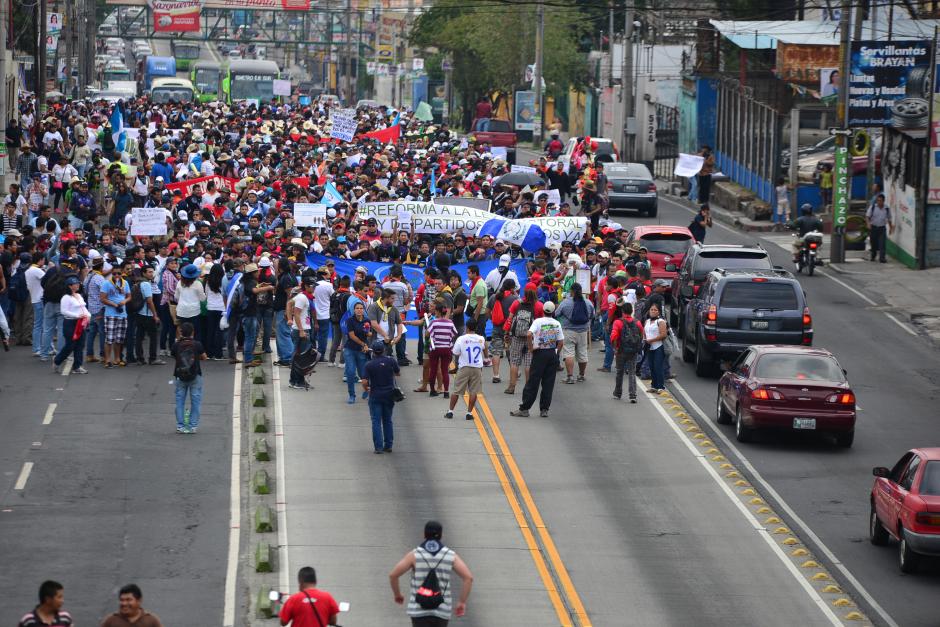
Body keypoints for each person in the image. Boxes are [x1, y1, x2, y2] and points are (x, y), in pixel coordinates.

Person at [389, 520, 474, 627]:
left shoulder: (415, 554)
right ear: (441, 535)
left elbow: (393, 575)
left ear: (424, 534)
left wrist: (397, 594)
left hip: (419, 611)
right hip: (442, 611)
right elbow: (468, 578)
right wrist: (462, 602)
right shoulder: (450, 555)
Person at [511, 300, 564, 418]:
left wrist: (531, 348)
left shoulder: (538, 321)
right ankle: (544, 409)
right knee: (548, 383)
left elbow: (529, 334)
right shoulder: (557, 323)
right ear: (553, 311)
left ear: (543, 310)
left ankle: (525, 408)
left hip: (540, 353)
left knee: (533, 382)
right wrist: (556, 352)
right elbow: (560, 342)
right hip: (551, 353)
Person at [361, 339, 400, 453]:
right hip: (389, 394)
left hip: (375, 395)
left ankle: (378, 447)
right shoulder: (391, 361)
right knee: (388, 420)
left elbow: (364, 381)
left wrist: (366, 389)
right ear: (383, 350)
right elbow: (398, 372)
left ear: (373, 351)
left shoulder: (369, 365)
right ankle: (388, 445)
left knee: (376, 421)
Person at [446, 323, 486, 421]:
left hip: (464, 367)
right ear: (475, 328)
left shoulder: (461, 339)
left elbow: (455, 352)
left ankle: (450, 411)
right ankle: (469, 413)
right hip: (477, 368)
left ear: (467, 327)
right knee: (473, 391)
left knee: (456, 390)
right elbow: (484, 348)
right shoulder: (481, 338)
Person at [171, 321, 206, 434]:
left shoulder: (176, 345)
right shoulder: (197, 344)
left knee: (180, 401)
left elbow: (174, 357)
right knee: (195, 401)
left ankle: (180, 426)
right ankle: (193, 426)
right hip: (195, 375)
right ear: (193, 332)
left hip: (179, 375)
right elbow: (204, 357)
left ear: (181, 332)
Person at [556, 282, 594, 384]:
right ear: (581, 291)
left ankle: (570, 377)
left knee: (568, 353)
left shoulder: (566, 302)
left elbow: (556, 313)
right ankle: (581, 375)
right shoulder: (588, 302)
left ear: (571, 291)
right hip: (583, 331)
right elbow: (592, 315)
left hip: (569, 330)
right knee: (582, 353)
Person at [611, 301, 643, 402]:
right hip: (633, 352)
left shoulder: (618, 322)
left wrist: (615, 348)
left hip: (621, 351)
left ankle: (617, 393)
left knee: (619, 372)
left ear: (622, 311)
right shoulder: (637, 322)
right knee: (632, 373)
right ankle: (633, 395)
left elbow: (614, 336)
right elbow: (641, 335)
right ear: (632, 311)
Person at [100, 263, 131, 368]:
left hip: (122, 313)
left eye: (119, 273)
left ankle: (117, 359)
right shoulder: (107, 283)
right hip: (110, 314)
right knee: (109, 338)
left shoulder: (125, 283)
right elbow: (103, 298)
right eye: (114, 273)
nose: (117, 275)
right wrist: (114, 304)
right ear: (112, 273)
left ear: (122, 273)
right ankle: (108, 360)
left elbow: (129, 296)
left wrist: (124, 301)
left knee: (119, 338)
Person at [343, 300, 373, 404]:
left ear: (364, 310)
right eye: (357, 308)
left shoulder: (367, 320)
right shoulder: (350, 320)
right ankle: (352, 395)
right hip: (350, 349)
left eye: (361, 308)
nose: (359, 310)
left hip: (361, 351)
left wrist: (368, 332)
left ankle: (366, 390)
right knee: (350, 372)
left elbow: (369, 334)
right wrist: (363, 344)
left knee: (363, 374)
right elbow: (351, 335)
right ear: (354, 310)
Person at [288, 276, 315, 390]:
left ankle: (298, 380)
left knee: (301, 357)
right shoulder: (302, 298)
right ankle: (296, 381)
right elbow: (297, 313)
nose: (314, 288)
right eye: (313, 286)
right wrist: (301, 330)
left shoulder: (301, 297)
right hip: (301, 330)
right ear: (307, 286)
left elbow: (289, 304)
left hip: (303, 328)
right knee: (300, 357)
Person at [134, 266, 164, 366]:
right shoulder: (146, 284)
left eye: (152, 272)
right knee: (153, 337)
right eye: (149, 272)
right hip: (147, 314)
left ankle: (140, 358)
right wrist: (155, 315)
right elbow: (149, 301)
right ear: (144, 273)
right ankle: (153, 358)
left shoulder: (138, 283)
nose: (152, 274)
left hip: (139, 313)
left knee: (139, 336)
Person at [426, 302, 458, 398]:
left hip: (435, 349)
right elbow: (454, 333)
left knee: (433, 370)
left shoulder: (434, 322)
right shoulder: (450, 322)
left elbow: (427, 334)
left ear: (438, 312)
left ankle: (432, 390)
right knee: (445, 370)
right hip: (446, 348)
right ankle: (446, 392)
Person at [99, 583, 163, 627]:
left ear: (139, 601)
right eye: (122, 600)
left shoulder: (151, 621)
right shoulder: (111, 621)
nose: (124, 603)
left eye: (128, 600)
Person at [644, 303, 668, 393]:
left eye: (655, 310)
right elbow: (645, 332)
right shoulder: (647, 321)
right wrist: (645, 339)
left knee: (658, 366)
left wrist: (652, 340)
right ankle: (654, 386)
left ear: (658, 312)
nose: (653, 311)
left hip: (658, 347)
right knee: (651, 366)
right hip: (649, 347)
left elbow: (663, 334)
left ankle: (661, 387)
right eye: (651, 309)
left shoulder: (661, 321)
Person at [867, 193, 894, 263]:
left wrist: (891, 228)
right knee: (873, 243)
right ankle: (873, 255)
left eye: (880, 201)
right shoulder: (873, 207)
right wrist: (868, 224)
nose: (879, 202)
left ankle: (882, 258)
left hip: (882, 228)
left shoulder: (887, 209)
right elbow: (867, 217)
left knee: (882, 244)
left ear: (883, 201)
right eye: (878, 200)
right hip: (873, 227)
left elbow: (889, 218)